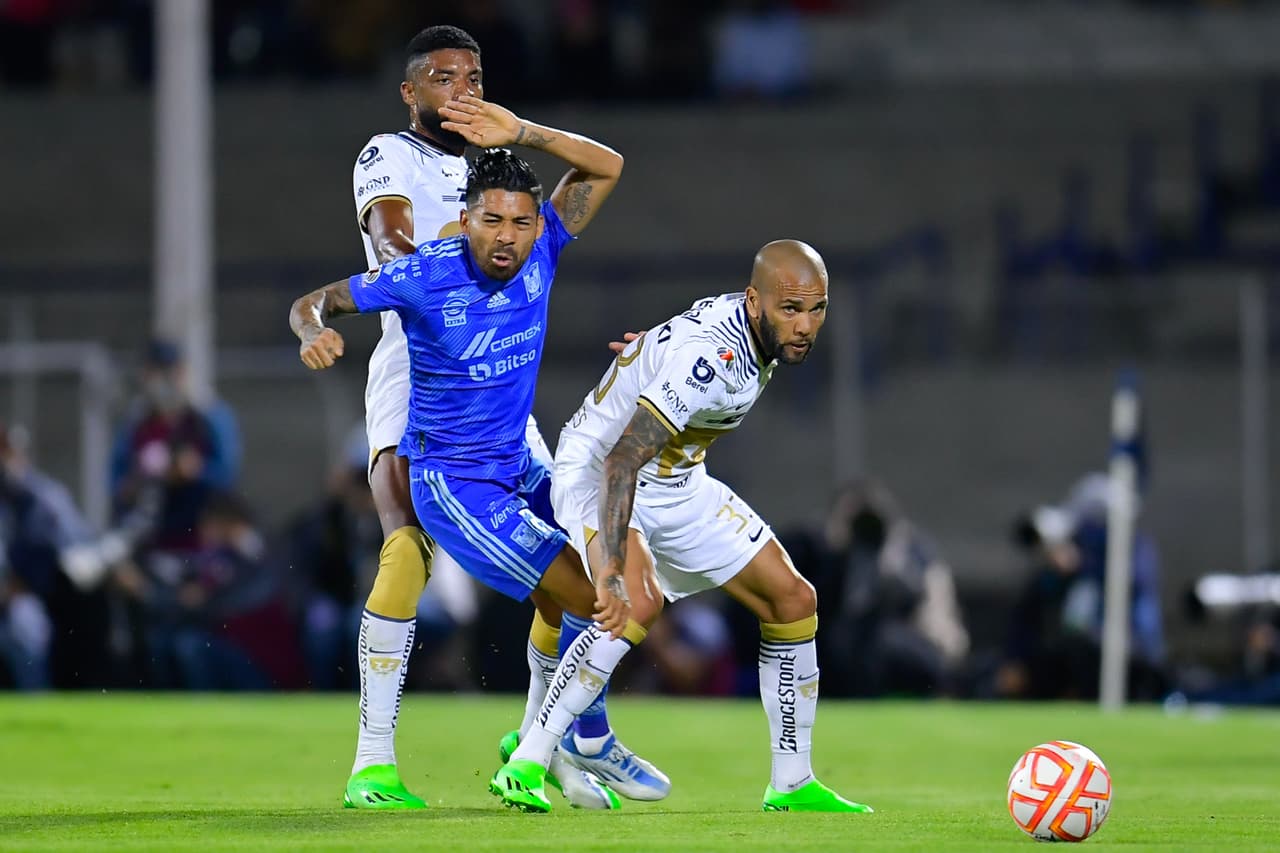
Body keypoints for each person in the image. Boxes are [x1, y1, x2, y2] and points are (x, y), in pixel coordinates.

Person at [338, 25, 661, 809]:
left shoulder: (499, 164)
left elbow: (600, 168)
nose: (463, 88)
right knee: (406, 551)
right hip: (417, 380)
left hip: (504, 399)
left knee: (574, 566)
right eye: (443, 76)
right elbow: (393, 247)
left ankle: (543, 736)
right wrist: (493, 228)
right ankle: (372, 762)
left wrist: (522, 134)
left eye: (474, 75)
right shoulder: (390, 154)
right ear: (411, 92)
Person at [496, 240, 872, 814]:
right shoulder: (711, 360)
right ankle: (531, 757)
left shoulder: (751, 334)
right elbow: (622, 459)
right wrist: (614, 569)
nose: (804, 325)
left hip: (678, 482)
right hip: (602, 470)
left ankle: (792, 784)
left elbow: (666, 358)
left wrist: (645, 358)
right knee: (636, 603)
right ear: (755, 301)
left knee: (793, 600)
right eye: (790, 309)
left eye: (816, 309)